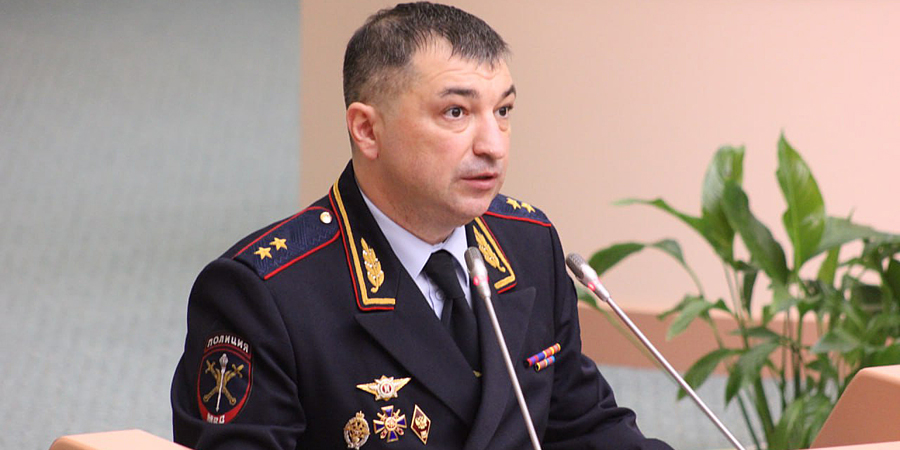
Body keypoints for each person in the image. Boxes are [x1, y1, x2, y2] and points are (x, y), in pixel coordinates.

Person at [171, 2, 672, 449]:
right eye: (456, 112)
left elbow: (583, 427)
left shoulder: (527, 242)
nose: (493, 145)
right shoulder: (265, 296)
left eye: (503, 111)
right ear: (368, 130)